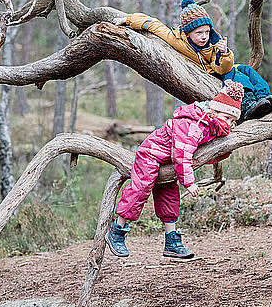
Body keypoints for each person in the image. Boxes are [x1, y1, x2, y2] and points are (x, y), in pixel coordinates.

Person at [105, 81, 244, 259]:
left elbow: (200, 154)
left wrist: (220, 153)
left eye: (232, 120)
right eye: (226, 118)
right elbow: (182, 154)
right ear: (214, 110)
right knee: (141, 187)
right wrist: (189, 182)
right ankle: (117, 230)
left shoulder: (210, 127)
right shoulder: (193, 124)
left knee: (170, 195)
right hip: (152, 153)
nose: (229, 123)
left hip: (168, 161)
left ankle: (171, 241)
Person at [112, 0, 272, 121]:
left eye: (206, 31)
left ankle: (263, 98)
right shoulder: (177, 39)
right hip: (211, 75)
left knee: (246, 70)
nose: (204, 36)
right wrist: (126, 20)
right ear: (188, 32)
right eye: (199, 33)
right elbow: (153, 24)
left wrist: (224, 52)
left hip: (219, 68)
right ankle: (247, 105)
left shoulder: (213, 42)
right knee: (236, 76)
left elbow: (223, 67)